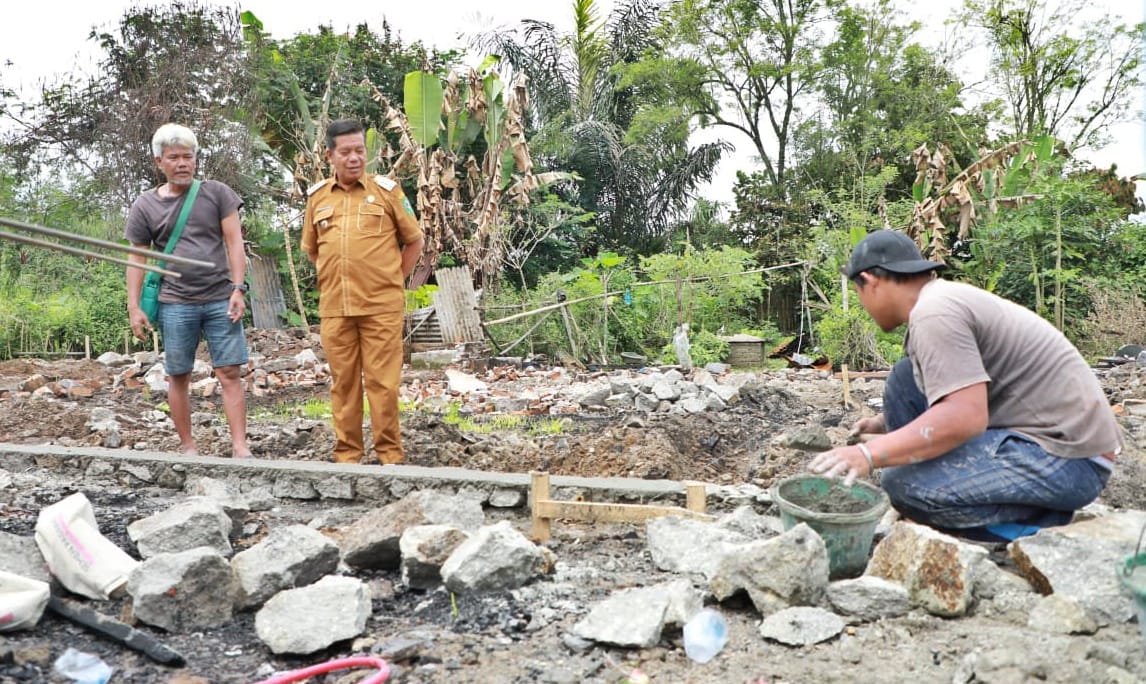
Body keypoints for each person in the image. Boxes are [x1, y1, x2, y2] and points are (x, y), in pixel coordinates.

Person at [809, 230, 1122, 541]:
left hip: (1071, 460)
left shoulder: (936, 313)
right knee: (905, 379)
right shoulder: (940, 301)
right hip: (1048, 440)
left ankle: (1033, 526)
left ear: (871, 281)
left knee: (904, 486)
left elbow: (965, 417)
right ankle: (961, 491)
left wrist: (868, 454)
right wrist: (884, 424)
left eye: (858, 291)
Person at [301, 119, 426, 465]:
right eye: (346, 152)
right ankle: (348, 457)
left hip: (381, 307)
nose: (354, 158)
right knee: (343, 385)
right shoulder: (317, 198)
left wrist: (394, 280)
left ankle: (390, 456)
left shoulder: (388, 192)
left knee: (382, 385)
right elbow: (313, 250)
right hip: (335, 309)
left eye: (359, 151)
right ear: (331, 155)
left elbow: (414, 241)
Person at [125, 123, 252, 459]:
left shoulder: (217, 194)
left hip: (219, 297)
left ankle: (240, 447)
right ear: (159, 162)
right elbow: (137, 256)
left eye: (188, 157)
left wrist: (238, 289)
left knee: (229, 372)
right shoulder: (145, 206)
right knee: (178, 373)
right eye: (174, 158)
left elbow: (234, 242)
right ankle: (188, 447)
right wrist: (134, 306)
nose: (182, 163)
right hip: (175, 302)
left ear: (196, 159)